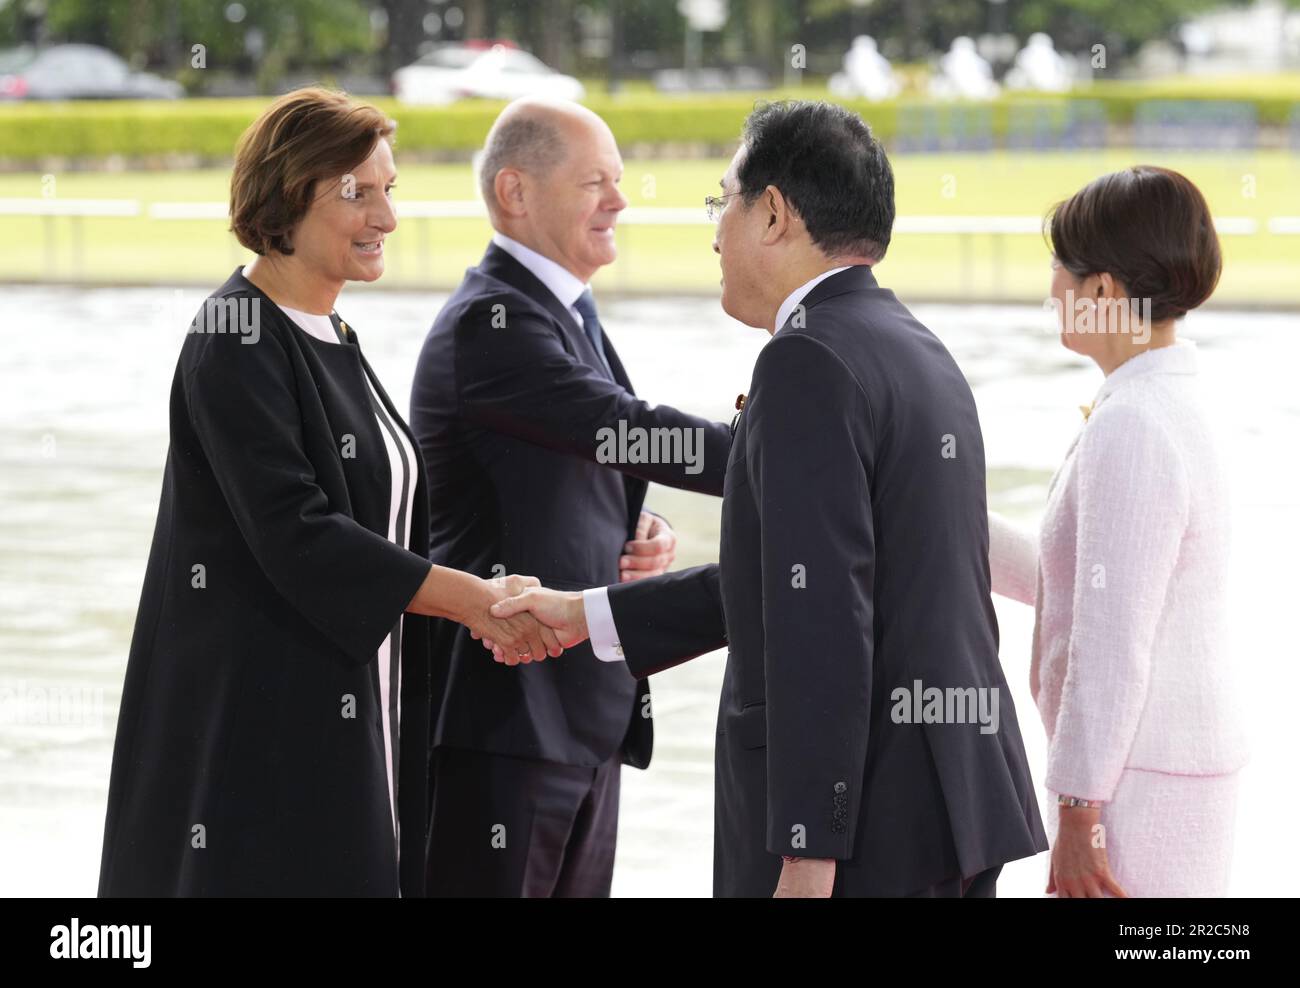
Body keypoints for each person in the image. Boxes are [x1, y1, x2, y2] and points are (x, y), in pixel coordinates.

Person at [485, 100, 1047, 897]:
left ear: (775, 214)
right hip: (945, 803)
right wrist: (585, 615)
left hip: (864, 830)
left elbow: (822, 622)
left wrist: (808, 853)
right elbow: (795, 580)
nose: (715, 234)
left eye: (724, 204)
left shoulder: (806, 362)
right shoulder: (915, 347)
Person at [98, 88, 557, 898]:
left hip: (359, 703)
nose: (384, 215)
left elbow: (391, 514)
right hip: (263, 721)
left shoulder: (334, 331)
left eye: (390, 189)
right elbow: (298, 532)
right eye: (357, 192)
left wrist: (498, 583)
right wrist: (471, 600)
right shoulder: (233, 337)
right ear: (287, 194)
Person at [410, 96, 731, 897]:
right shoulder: (491, 321)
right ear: (516, 192)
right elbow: (619, 426)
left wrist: (639, 522)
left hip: (583, 715)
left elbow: (575, 453)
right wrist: (796, 459)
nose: (620, 201)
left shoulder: (559, 312)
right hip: (507, 716)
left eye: (618, 181)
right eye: (596, 182)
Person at [988, 166, 1249, 897]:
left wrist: (1078, 812)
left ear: (1102, 292)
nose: (1050, 292)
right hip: (1148, 766)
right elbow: (1074, 576)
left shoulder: (1133, 424)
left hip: (1138, 780)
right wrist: (940, 514)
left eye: (1060, 271)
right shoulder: (1161, 400)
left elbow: (1113, 643)